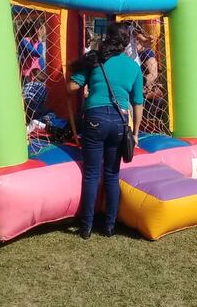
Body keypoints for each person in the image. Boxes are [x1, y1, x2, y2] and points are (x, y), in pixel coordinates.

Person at [68, 22, 144, 239]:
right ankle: (109, 226)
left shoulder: (95, 60)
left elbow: (72, 87)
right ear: (126, 43)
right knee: (112, 174)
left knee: (91, 174)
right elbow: (138, 103)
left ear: (105, 38)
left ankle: (86, 226)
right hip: (121, 122)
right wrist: (136, 132)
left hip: (95, 118)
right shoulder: (133, 67)